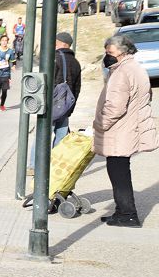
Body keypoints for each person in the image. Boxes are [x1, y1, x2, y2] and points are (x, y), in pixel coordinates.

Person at [93, 35, 159, 227]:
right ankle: (121, 211)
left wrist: (99, 124)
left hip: (119, 130)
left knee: (118, 172)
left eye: (110, 53)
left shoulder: (122, 72)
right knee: (120, 171)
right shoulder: (137, 68)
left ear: (122, 52)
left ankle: (128, 214)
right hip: (129, 127)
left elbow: (116, 107)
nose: (107, 56)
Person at [52, 31, 81, 146]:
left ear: (62, 44)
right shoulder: (76, 62)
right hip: (65, 106)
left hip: (51, 105)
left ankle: (35, 163)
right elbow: (77, 88)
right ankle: (56, 162)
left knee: (41, 136)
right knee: (61, 138)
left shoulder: (53, 58)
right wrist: (70, 109)